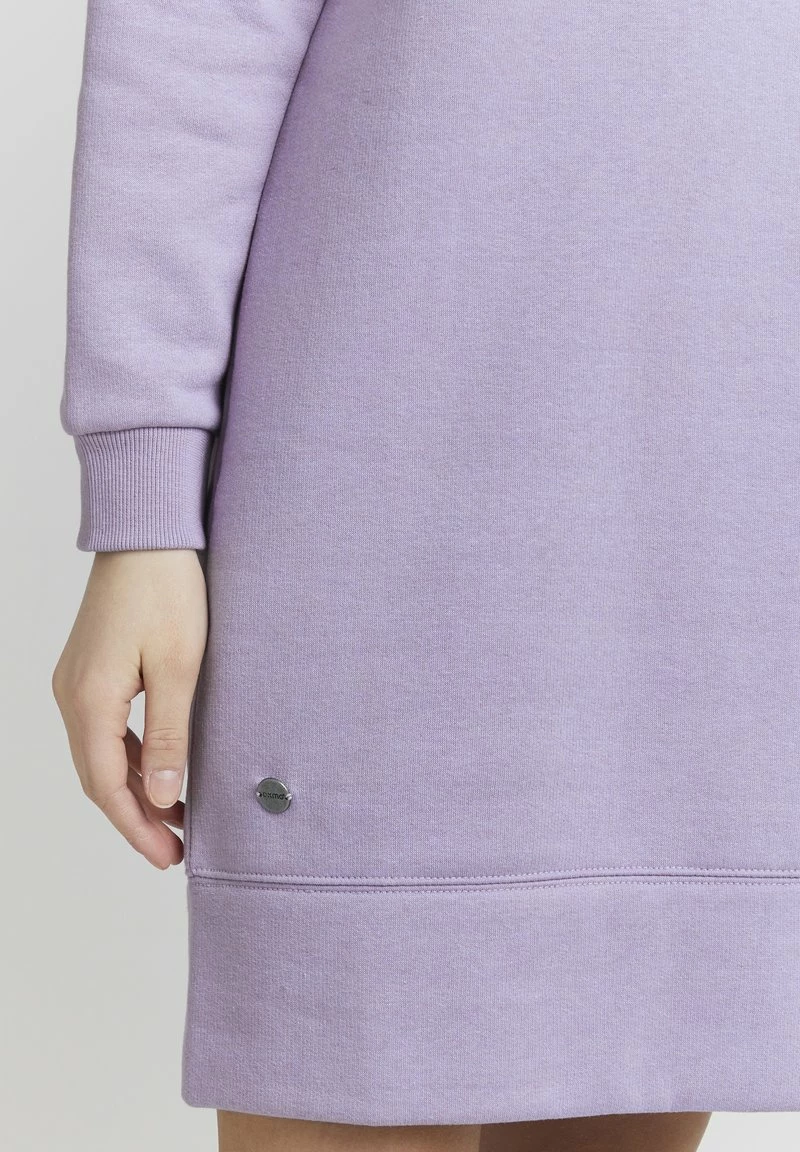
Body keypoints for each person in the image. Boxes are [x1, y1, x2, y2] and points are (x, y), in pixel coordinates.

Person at [52, 2, 800, 1150]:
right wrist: (143, 509)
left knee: (641, 1025)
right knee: (349, 1048)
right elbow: (189, 44)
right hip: (391, 504)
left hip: (712, 508)